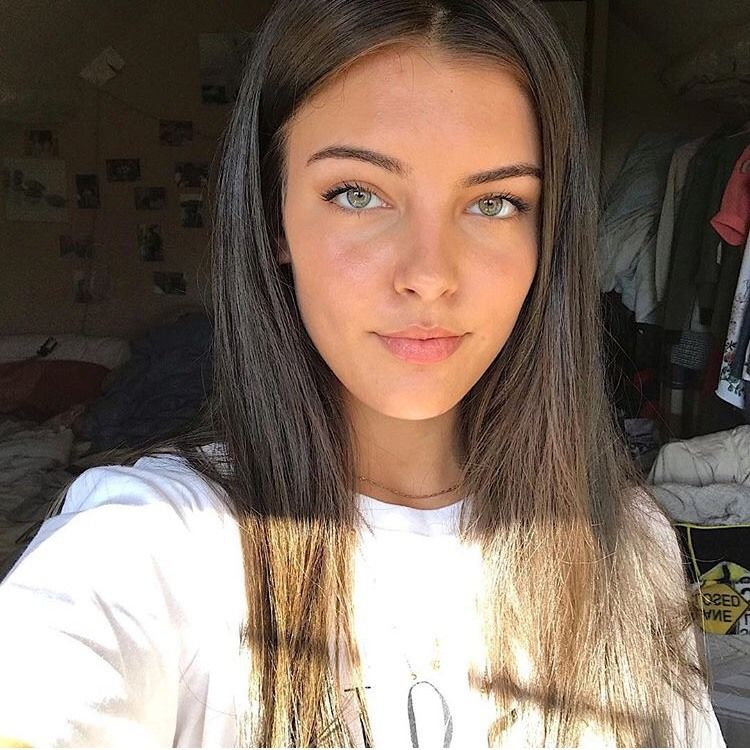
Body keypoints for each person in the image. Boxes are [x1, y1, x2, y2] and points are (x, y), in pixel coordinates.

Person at [0, 0, 728, 747]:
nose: (429, 275)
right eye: (358, 194)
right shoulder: (146, 542)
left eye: (494, 203)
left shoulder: (628, 543)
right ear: (274, 218)